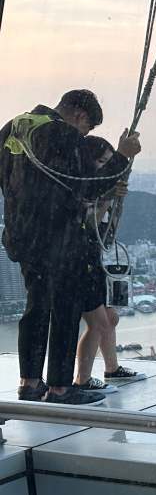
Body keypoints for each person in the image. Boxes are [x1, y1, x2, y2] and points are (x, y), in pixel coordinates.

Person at [0, 89, 140, 405]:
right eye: (86, 128)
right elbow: (84, 186)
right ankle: (61, 387)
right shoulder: (60, 133)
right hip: (59, 237)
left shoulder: (13, 126)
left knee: (36, 308)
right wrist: (121, 156)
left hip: (23, 235)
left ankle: (30, 383)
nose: (84, 136)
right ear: (79, 115)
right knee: (65, 310)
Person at [71, 161, 145, 395]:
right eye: (102, 161)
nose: (106, 165)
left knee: (111, 318)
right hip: (81, 266)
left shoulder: (104, 190)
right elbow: (88, 229)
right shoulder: (83, 191)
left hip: (97, 264)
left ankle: (112, 368)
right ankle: (81, 380)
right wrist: (105, 199)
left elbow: (108, 233)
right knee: (98, 324)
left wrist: (116, 201)